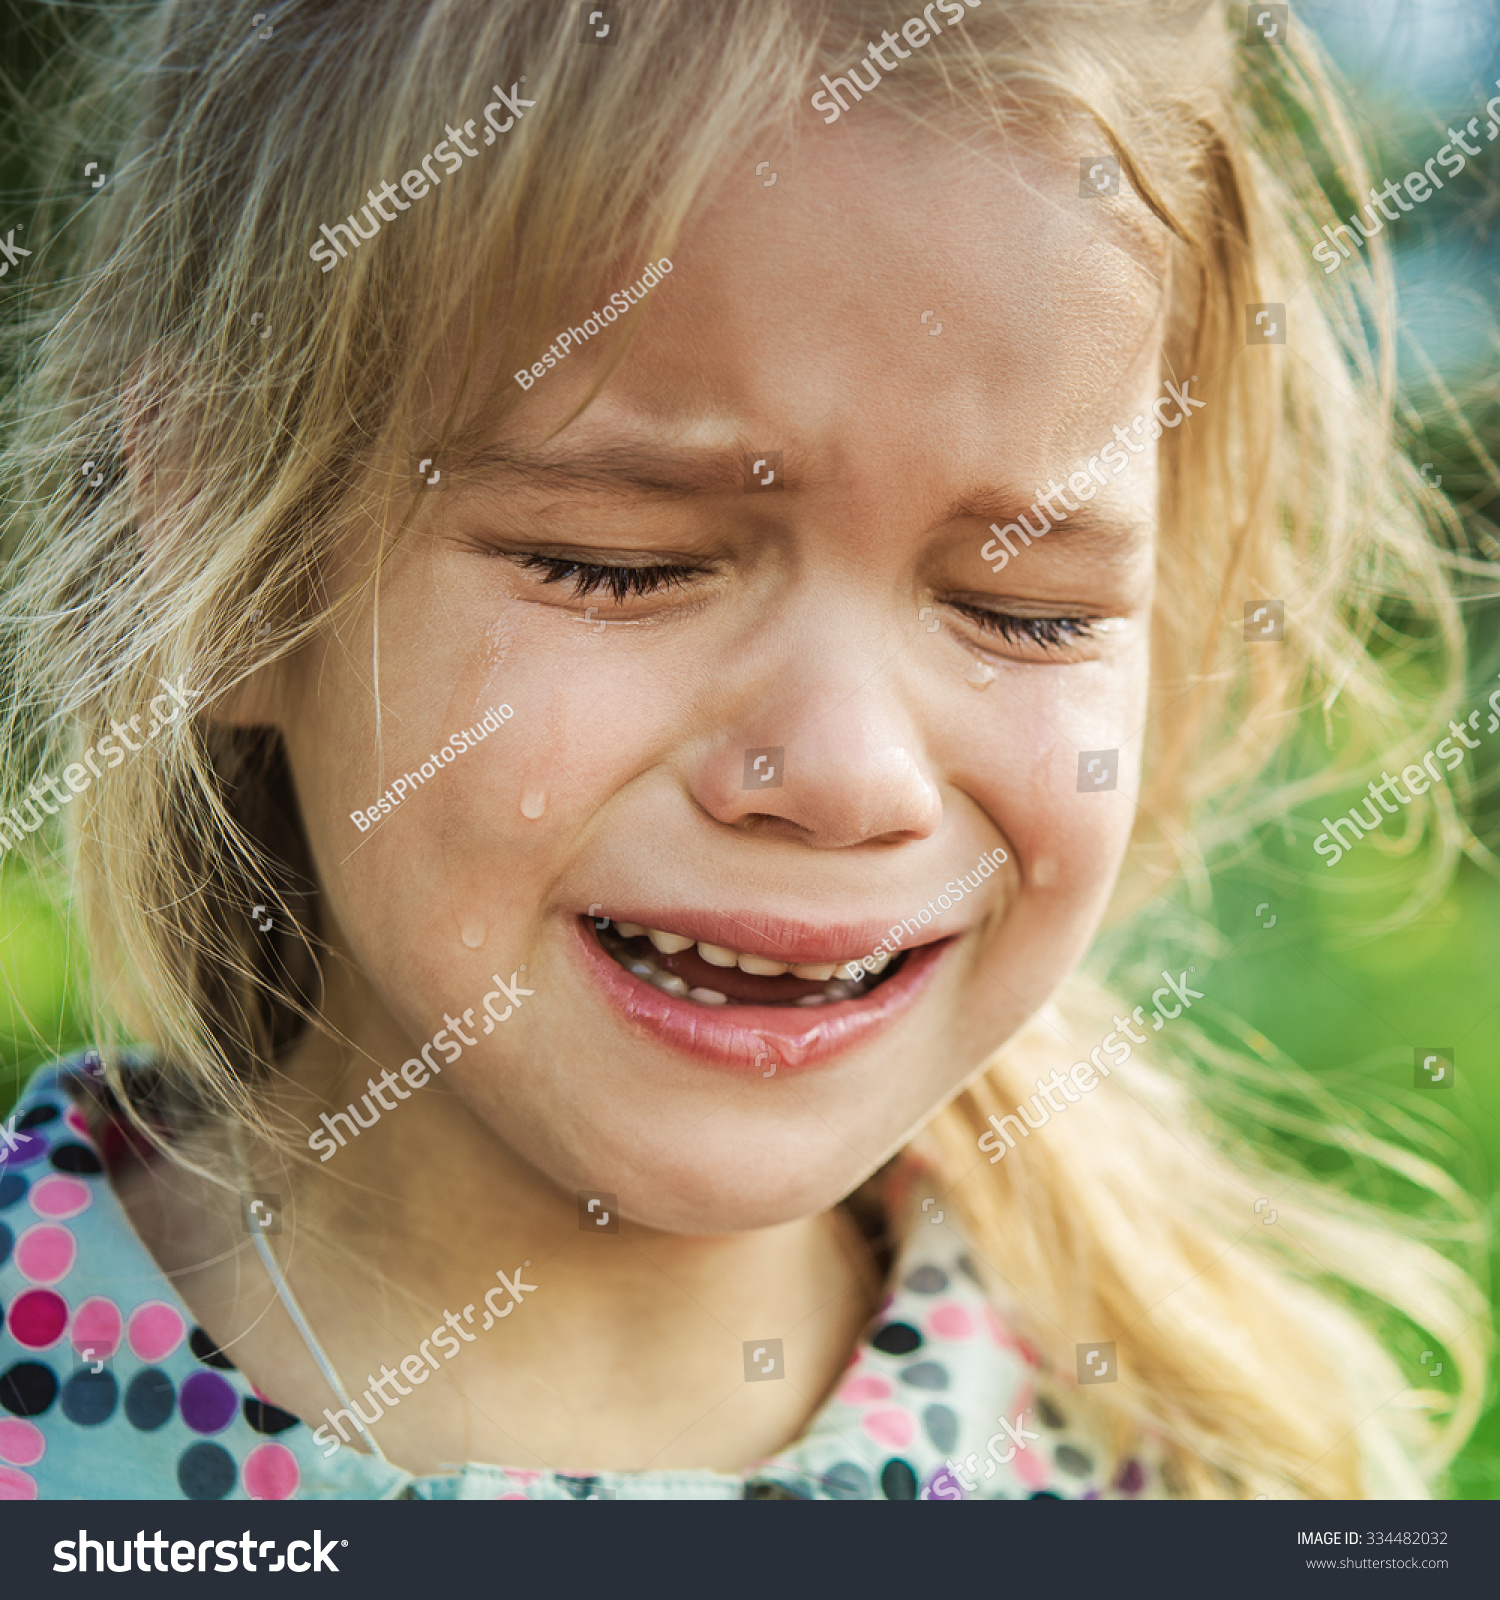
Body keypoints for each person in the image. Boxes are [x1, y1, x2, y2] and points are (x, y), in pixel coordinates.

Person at [0, 0, 1486, 1501]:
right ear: (232, 569)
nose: (850, 775)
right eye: (616, 565)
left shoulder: (1224, 1481)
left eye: (1017, 607)